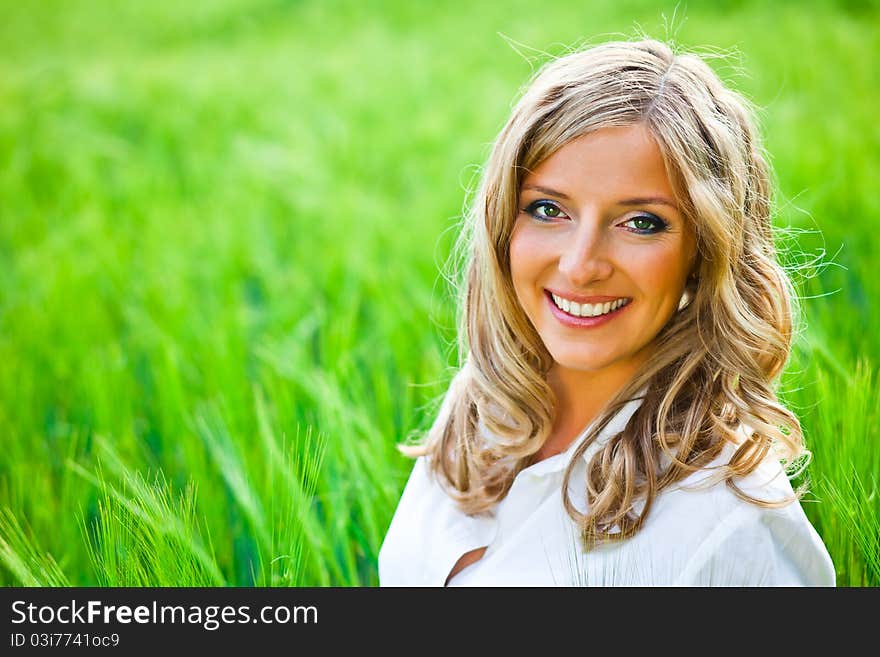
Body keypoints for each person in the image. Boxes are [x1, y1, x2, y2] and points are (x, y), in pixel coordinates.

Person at [378, 38, 836, 586]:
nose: (580, 265)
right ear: (503, 223)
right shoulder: (477, 413)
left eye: (641, 222)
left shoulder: (730, 523)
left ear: (705, 250)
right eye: (548, 209)